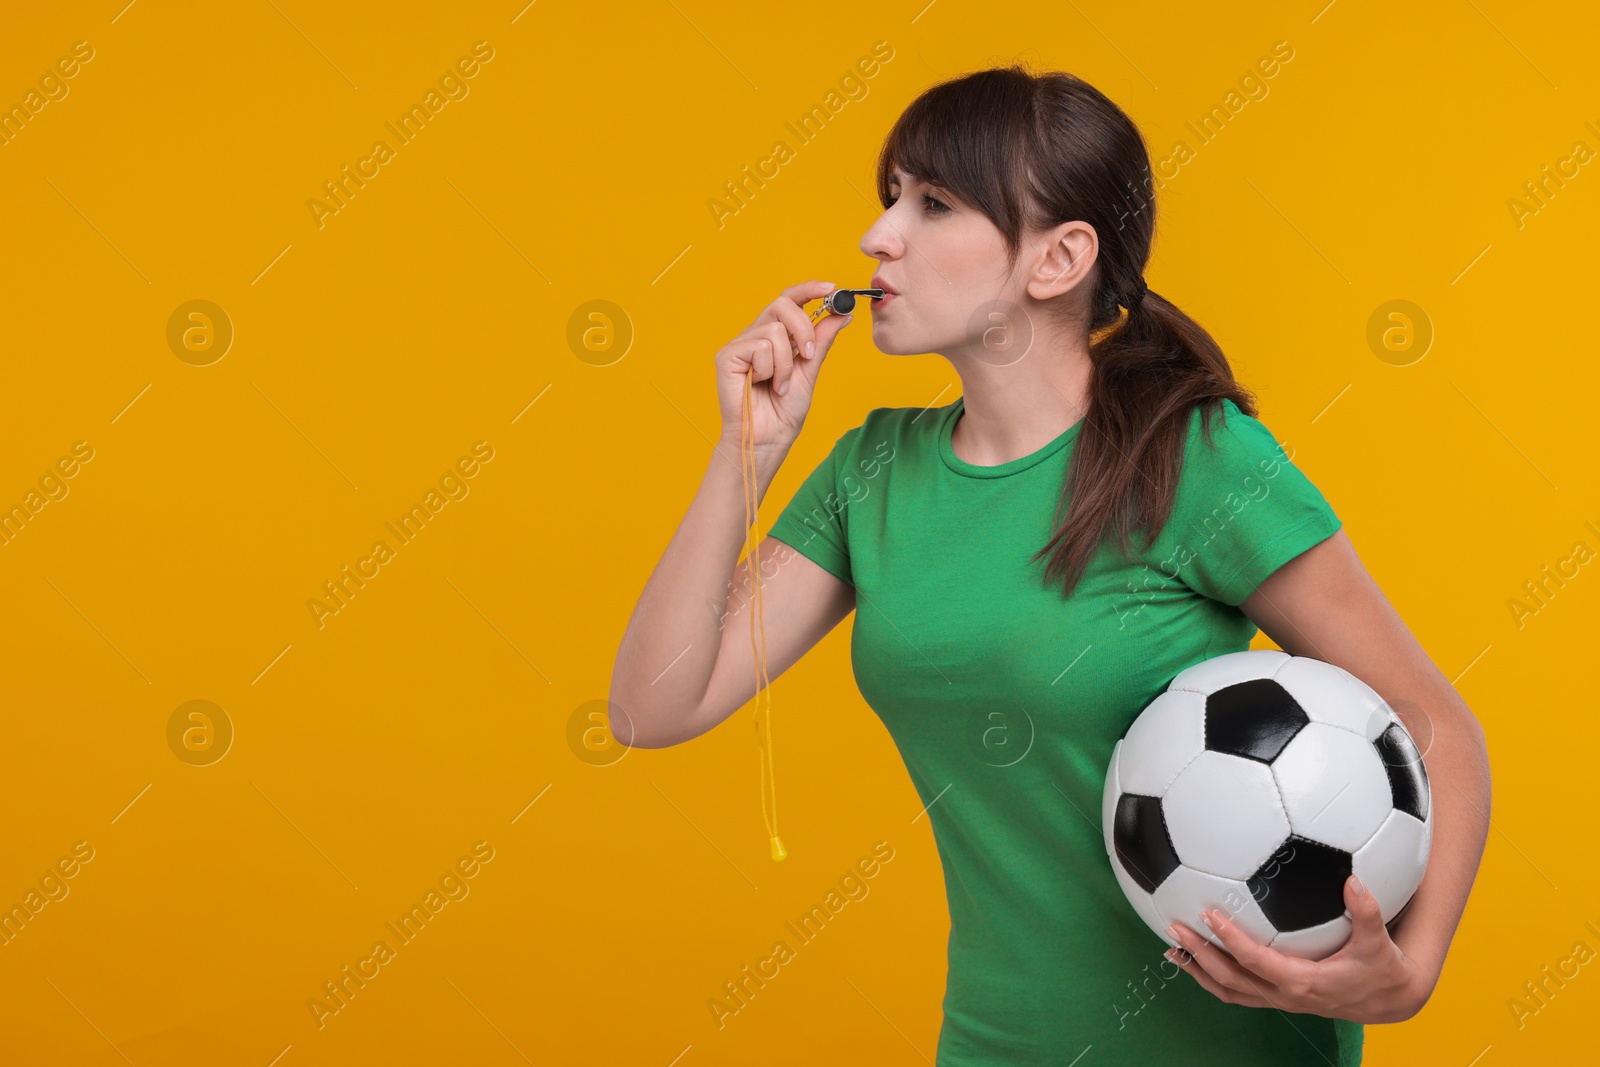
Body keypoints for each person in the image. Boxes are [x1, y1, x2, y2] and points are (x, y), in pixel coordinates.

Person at [609, 64, 1490, 1066]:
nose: (878, 236)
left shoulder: (1193, 458)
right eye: (889, 197)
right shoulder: (873, 471)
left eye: (934, 203)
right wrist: (747, 453)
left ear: (1059, 256)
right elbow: (652, 706)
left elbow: (1437, 729)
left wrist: (1409, 972)